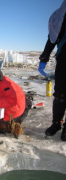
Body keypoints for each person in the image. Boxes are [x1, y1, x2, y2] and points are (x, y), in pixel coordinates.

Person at [38, 0, 66, 141]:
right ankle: (56, 123)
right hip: (64, 58)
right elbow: (52, 38)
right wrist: (44, 57)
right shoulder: (60, 15)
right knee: (60, 93)